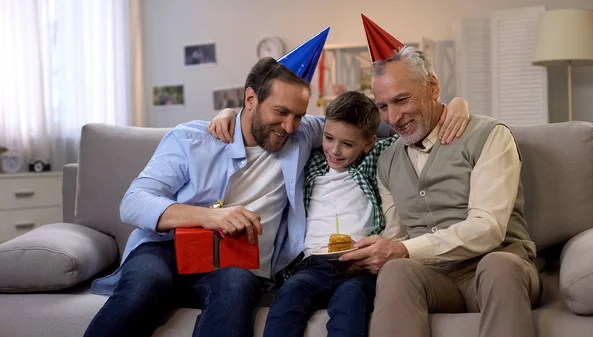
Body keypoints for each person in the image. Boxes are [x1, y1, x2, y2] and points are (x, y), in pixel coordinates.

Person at [83, 28, 331, 337]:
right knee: (145, 284)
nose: (290, 126)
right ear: (251, 99)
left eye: (299, 115)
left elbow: (361, 124)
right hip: (166, 251)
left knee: (237, 284)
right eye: (280, 112)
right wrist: (210, 217)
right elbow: (133, 202)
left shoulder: (303, 134)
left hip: (235, 264)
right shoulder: (192, 139)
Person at [338, 15, 542, 337]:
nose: (393, 117)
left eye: (402, 100)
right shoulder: (387, 159)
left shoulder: (489, 135)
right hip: (436, 279)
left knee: (498, 265)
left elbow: (488, 229)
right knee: (396, 271)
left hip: (498, 267)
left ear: (433, 87)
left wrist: (405, 250)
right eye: (383, 106)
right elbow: (398, 235)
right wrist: (372, 254)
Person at [263, 91, 467, 337]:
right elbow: (285, 129)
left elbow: (412, 134)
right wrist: (229, 113)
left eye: (347, 144)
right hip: (313, 264)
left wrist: (457, 104)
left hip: (360, 265)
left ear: (368, 143)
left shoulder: (374, 159)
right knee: (290, 294)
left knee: (350, 300)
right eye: (328, 138)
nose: (335, 151)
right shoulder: (312, 161)